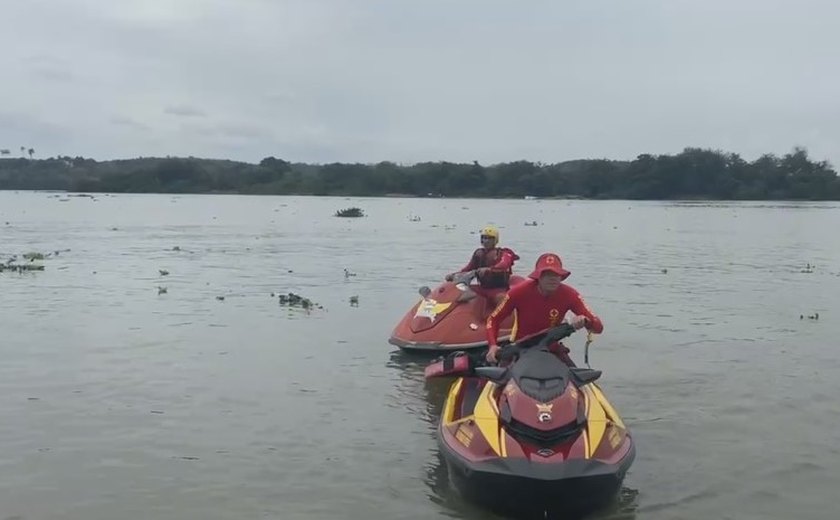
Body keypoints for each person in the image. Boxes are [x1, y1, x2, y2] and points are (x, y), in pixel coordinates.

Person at [485, 252, 604, 365]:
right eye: (547, 274)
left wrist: (586, 321)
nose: (553, 279)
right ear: (538, 277)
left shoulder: (570, 294)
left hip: (551, 349)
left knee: (579, 383)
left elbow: (598, 328)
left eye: (556, 275)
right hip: (521, 347)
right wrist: (493, 346)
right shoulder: (518, 292)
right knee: (498, 381)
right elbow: (493, 320)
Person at [445, 226, 520, 306]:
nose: (486, 241)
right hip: (482, 289)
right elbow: (468, 269)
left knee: (502, 300)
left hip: (498, 290)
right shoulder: (479, 253)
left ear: (495, 240)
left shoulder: (503, 253)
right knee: (458, 290)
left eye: (489, 239)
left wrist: (489, 269)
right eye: (484, 238)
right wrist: (454, 275)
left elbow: (504, 265)